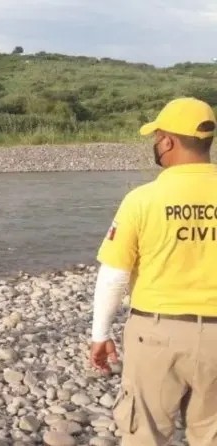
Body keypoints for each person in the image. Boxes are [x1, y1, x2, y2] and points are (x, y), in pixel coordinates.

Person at [89, 97, 217, 446]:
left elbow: (114, 274)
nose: (155, 144)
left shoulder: (142, 199)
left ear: (168, 142)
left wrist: (100, 334)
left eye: (156, 137)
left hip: (158, 334)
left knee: (145, 434)